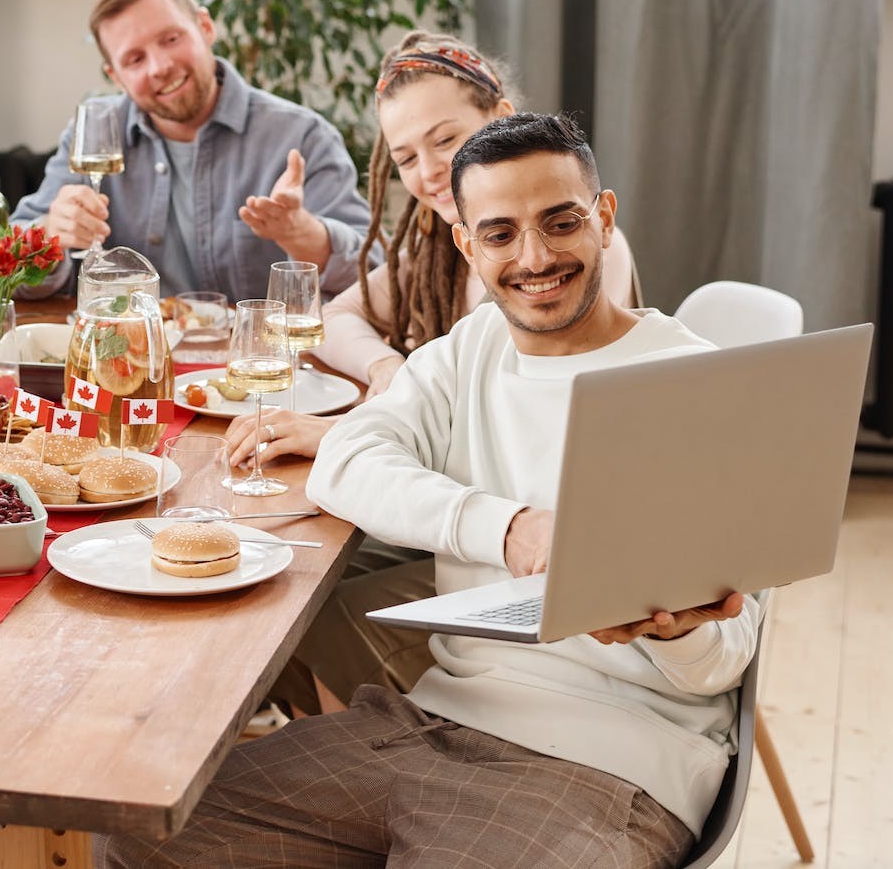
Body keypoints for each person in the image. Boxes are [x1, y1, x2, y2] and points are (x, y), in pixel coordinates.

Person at [99, 113, 757, 868]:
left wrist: (679, 628)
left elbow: (726, 659)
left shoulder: (698, 382)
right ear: (467, 244)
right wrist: (507, 529)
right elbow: (345, 458)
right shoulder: (471, 349)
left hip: (611, 765)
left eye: (561, 222)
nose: (535, 256)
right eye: (501, 233)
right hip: (430, 721)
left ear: (603, 220)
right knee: (140, 840)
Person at [224, 32, 638, 469]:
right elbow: (336, 316)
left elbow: (521, 425)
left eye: (444, 141)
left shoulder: (582, 251)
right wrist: (384, 365)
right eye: (405, 159)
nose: (430, 171)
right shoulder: (443, 251)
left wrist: (341, 433)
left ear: (501, 118)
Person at [10, 0, 376, 302]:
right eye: (135, 60)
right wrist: (49, 236)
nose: (160, 67)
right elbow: (8, 269)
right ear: (115, 76)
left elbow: (375, 271)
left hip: (254, 365)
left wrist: (305, 234)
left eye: (170, 39)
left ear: (205, 26)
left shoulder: (302, 136)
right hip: (124, 361)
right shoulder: (93, 136)